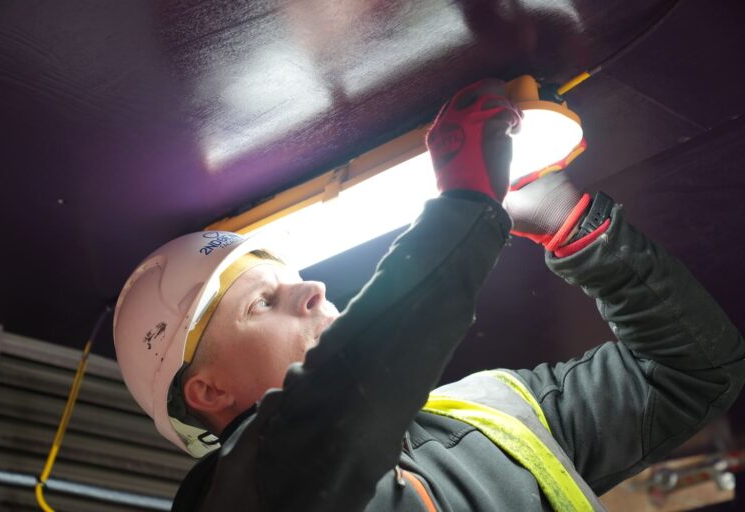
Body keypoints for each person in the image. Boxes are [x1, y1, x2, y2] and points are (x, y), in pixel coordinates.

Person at [113, 79, 745, 511]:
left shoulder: (491, 411)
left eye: (291, 280)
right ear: (209, 392)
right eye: (261, 303)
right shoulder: (236, 495)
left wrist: (578, 230)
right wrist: (464, 208)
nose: (310, 289)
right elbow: (334, 416)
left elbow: (692, 373)